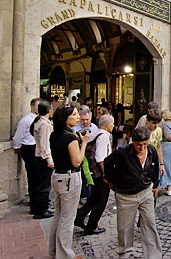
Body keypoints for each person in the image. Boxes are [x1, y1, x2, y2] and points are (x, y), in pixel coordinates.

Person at [104, 127, 162, 259]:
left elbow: (155, 167)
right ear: (132, 142)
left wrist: (155, 184)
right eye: (138, 145)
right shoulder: (123, 153)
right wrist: (111, 182)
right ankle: (125, 254)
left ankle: (154, 255)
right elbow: (107, 163)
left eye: (144, 144)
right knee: (125, 228)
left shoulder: (151, 150)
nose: (141, 148)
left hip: (146, 192)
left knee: (149, 224)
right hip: (126, 196)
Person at [48, 104, 89, 259]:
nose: (77, 117)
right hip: (69, 178)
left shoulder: (55, 134)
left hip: (58, 176)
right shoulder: (70, 137)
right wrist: (84, 142)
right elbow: (77, 161)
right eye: (74, 115)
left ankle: (54, 252)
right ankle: (65, 254)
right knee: (67, 218)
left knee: (58, 216)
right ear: (65, 119)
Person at [74, 114, 114, 235]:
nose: (113, 125)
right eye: (112, 123)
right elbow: (100, 158)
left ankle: (79, 217)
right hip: (99, 174)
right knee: (101, 201)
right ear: (107, 125)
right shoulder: (103, 137)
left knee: (94, 198)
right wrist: (105, 174)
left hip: (93, 172)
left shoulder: (97, 133)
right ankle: (91, 226)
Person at [13, 97, 42, 215]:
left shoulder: (39, 119)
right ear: (32, 106)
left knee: (39, 178)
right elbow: (18, 136)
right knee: (33, 177)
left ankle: (39, 203)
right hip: (29, 149)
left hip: (36, 148)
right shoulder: (25, 120)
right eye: (37, 106)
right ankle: (34, 205)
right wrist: (17, 147)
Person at [29, 101, 54, 219]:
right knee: (44, 185)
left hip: (39, 156)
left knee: (41, 184)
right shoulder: (45, 125)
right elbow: (45, 144)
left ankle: (40, 208)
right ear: (49, 110)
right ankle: (41, 210)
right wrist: (49, 159)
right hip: (42, 158)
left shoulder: (39, 122)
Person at [159, 110, 171, 196]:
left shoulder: (162, 125)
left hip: (163, 147)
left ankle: (159, 184)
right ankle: (169, 188)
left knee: (163, 166)